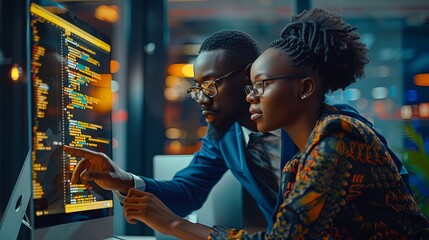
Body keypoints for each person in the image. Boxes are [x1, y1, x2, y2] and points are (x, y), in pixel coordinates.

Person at [121, 8, 429, 239]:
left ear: (305, 88)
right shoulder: (289, 158)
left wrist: (175, 225)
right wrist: (122, 181)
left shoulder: (340, 133)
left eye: (261, 84)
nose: (251, 96)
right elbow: (188, 190)